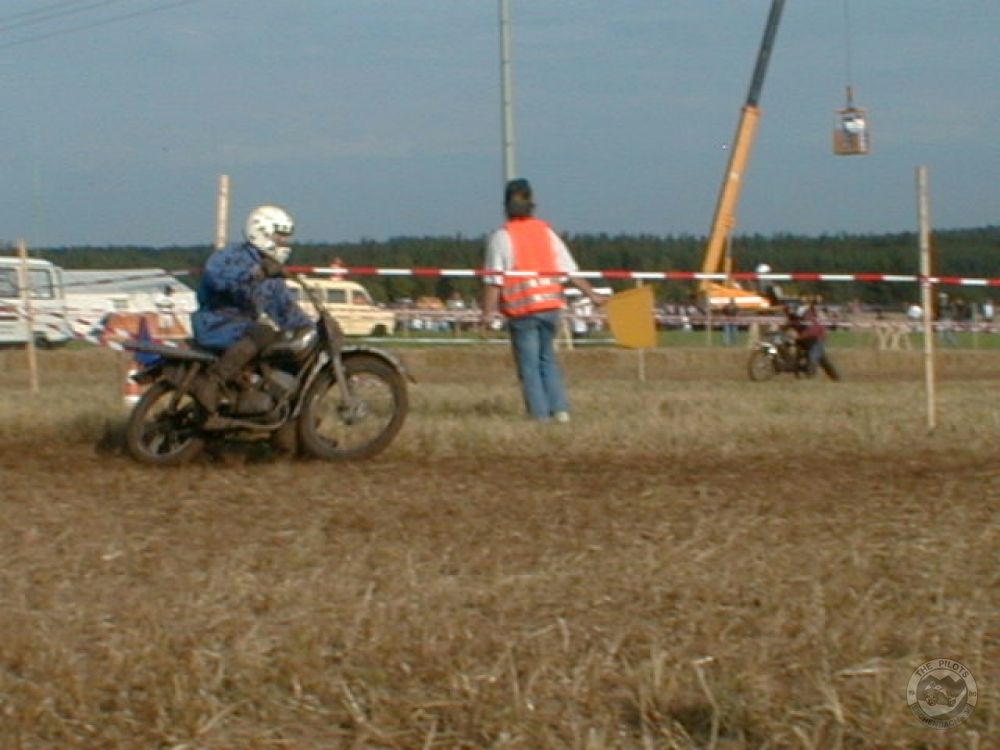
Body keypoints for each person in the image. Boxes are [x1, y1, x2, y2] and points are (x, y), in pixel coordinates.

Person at [481, 178, 607, 422]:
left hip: (523, 311)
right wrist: (592, 294)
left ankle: (539, 415)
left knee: (529, 366)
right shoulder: (546, 232)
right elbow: (570, 270)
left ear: (506, 206)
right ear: (532, 203)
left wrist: (488, 313)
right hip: (550, 307)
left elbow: (494, 280)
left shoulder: (502, 237)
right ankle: (560, 410)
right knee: (547, 359)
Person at [190, 204, 312, 413]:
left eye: (286, 238)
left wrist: (311, 329)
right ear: (261, 232)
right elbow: (216, 279)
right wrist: (255, 274)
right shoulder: (231, 256)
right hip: (216, 322)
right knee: (263, 332)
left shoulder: (272, 273)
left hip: (243, 329)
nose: (284, 243)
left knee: (286, 345)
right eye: (280, 237)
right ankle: (213, 382)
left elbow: (284, 310)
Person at [785, 300, 839, 380]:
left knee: (813, 357)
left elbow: (813, 330)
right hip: (805, 339)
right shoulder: (792, 317)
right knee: (822, 359)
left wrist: (798, 336)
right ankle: (836, 378)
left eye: (791, 309)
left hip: (818, 338)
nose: (789, 312)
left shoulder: (807, 316)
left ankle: (810, 378)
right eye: (788, 310)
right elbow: (786, 326)